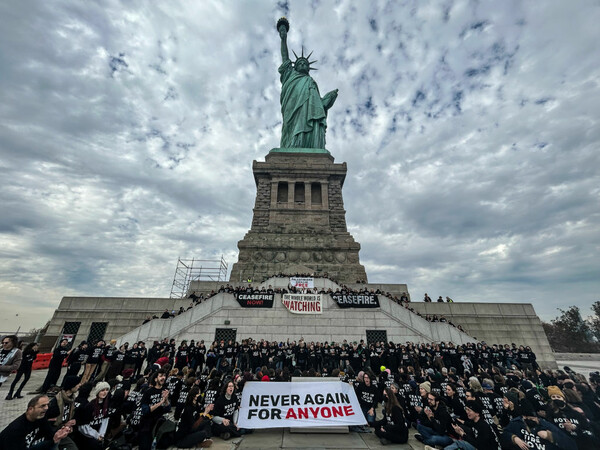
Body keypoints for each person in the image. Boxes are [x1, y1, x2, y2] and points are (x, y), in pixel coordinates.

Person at [277, 18, 338, 149]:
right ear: (295, 67)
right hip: (292, 108)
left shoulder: (311, 81)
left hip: (308, 112)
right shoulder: (290, 75)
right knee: (291, 127)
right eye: (300, 63)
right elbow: (285, 57)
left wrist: (327, 100)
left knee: (309, 122)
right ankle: (292, 145)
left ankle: (308, 145)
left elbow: (317, 106)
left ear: (309, 68)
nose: (303, 64)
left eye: (305, 63)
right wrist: (283, 39)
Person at [0, 394, 72, 450]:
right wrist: (52, 441)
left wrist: (60, 431)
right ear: (30, 409)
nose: (46, 408)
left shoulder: (40, 418)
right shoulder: (16, 429)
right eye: (42, 406)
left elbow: (50, 435)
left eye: (47, 405)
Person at [75, 381, 111, 450]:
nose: (105, 392)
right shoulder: (90, 406)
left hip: (98, 434)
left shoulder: (106, 404)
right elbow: (83, 426)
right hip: (87, 435)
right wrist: (96, 435)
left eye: (107, 390)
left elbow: (105, 420)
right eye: (102, 390)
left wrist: (101, 434)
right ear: (97, 392)